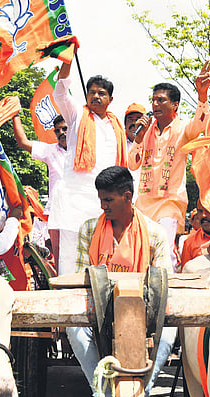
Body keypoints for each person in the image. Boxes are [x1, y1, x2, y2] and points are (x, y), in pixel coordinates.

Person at [68, 166, 173, 397]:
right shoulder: (89, 229)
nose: (103, 206)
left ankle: (139, 395)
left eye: (108, 199)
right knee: (74, 330)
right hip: (99, 308)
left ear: (127, 196)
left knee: (170, 331)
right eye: (101, 200)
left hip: (143, 308)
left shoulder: (155, 233)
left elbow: (163, 284)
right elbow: (81, 278)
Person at [49, 50, 128, 275]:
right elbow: (60, 92)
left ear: (110, 99)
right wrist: (68, 58)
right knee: (70, 255)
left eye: (101, 93)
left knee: (102, 255)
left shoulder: (116, 127)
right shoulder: (76, 116)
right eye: (91, 92)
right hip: (74, 198)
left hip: (104, 201)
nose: (95, 96)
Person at [128, 61, 210, 270]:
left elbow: (200, 125)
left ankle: (169, 292)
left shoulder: (183, 128)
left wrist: (202, 97)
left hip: (170, 201)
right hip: (145, 203)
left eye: (161, 100)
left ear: (174, 105)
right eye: (153, 100)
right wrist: (138, 138)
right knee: (143, 252)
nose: (155, 105)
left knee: (164, 249)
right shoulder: (145, 130)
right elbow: (132, 164)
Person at [12, 113, 67, 270]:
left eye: (65, 128)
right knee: (60, 256)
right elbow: (23, 142)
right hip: (57, 211)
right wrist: (15, 114)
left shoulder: (84, 150)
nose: (61, 133)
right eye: (57, 131)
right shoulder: (51, 151)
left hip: (79, 209)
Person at [180, 200, 210, 270]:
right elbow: (186, 275)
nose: (203, 215)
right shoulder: (189, 243)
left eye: (208, 210)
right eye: (200, 211)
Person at [124, 103, 147, 202]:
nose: (134, 123)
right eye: (130, 119)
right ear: (125, 125)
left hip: (146, 202)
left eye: (138, 118)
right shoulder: (117, 144)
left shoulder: (154, 144)